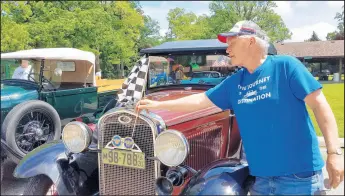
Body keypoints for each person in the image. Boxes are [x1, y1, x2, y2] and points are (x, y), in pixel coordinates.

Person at [136, 20, 344, 195]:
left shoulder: (286, 66)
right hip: (261, 180)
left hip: (300, 178)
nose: (227, 50)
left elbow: (320, 107)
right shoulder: (235, 82)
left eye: (231, 43)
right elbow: (200, 101)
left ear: (251, 41)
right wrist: (158, 104)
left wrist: (334, 154)